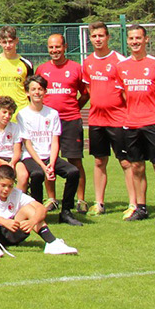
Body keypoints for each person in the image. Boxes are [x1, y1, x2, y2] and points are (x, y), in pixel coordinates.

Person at [115, 25, 155, 223]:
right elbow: (123, 94)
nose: (134, 42)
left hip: (154, 123)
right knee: (137, 167)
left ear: (146, 39)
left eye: (138, 38)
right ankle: (141, 208)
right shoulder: (121, 66)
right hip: (131, 124)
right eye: (131, 38)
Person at [17, 75, 83, 226]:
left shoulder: (52, 113)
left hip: (49, 158)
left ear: (45, 91)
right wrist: (42, 165)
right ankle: (37, 212)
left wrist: (52, 164)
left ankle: (66, 212)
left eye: (40, 89)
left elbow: (55, 141)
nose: (37, 92)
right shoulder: (23, 114)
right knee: (37, 174)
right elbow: (27, 144)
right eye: (33, 89)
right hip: (31, 158)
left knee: (73, 172)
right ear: (27, 92)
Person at [0, 166, 78, 256]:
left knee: (29, 209)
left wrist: (32, 222)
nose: (6, 189)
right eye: (3, 185)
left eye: (10, 186)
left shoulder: (17, 194)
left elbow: (41, 208)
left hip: (11, 231)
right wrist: (4, 221)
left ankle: (52, 242)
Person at [81, 21, 128, 216]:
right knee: (99, 161)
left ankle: (134, 203)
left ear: (108, 37)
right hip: (96, 120)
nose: (98, 39)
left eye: (101, 35)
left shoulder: (120, 60)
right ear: (90, 38)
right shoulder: (88, 62)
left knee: (126, 162)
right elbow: (90, 90)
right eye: (94, 36)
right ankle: (99, 203)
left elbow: (127, 91)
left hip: (118, 119)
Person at [35, 33, 86, 212]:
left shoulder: (76, 68)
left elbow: (85, 93)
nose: (54, 50)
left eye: (58, 47)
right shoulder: (41, 69)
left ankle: (80, 200)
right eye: (51, 47)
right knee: (49, 160)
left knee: (75, 161)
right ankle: (52, 199)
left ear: (64, 47)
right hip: (48, 123)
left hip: (71, 120)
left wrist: (74, 107)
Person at [0, 26, 31, 117]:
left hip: (22, 112)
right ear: (0, 42)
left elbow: (30, 90)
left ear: (16, 40)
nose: (7, 45)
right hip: (2, 114)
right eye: (4, 42)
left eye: (10, 41)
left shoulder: (26, 64)